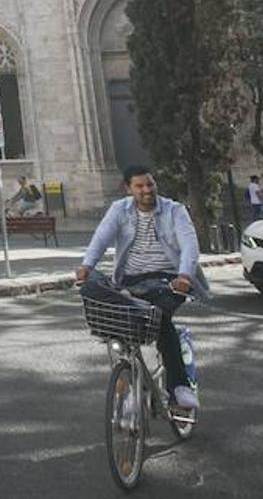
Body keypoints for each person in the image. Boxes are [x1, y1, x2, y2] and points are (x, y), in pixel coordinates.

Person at [74, 164, 210, 410]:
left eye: (150, 184)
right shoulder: (119, 210)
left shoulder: (174, 211)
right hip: (131, 280)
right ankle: (130, 385)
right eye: (139, 186)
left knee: (159, 321)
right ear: (128, 189)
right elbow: (101, 238)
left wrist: (184, 275)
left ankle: (179, 386)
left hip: (168, 279)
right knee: (115, 321)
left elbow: (189, 246)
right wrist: (86, 265)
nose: (147, 190)